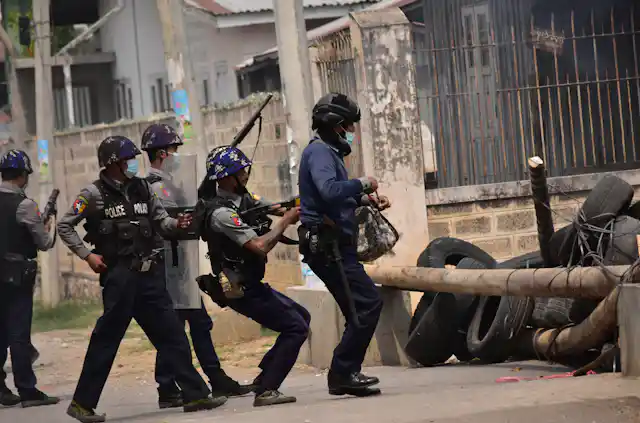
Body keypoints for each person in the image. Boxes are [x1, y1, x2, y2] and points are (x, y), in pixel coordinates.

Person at [57, 136, 227, 423]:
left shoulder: (143, 189)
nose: (134, 164)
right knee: (106, 340)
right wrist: (87, 256)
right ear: (113, 163)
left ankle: (196, 394)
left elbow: (162, 222)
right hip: (120, 277)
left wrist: (178, 225)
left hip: (150, 277)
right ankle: (82, 404)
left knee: (171, 334)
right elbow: (65, 225)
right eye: (128, 159)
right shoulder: (93, 194)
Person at [140, 123, 251, 408]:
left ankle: (214, 379)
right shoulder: (154, 187)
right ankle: (168, 386)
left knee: (198, 322)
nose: (178, 156)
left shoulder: (171, 183)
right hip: (168, 264)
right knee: (174, 326)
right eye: (175, 151)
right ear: (163, 153)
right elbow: (170, 221)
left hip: (181, 263)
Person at [198, 145, 310, 407]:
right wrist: (285, 222)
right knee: (296, 327)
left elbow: (280, 208)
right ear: (227, 177)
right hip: (238, 287)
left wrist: (307, 207)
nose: (246, 174)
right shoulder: (222, 213)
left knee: (302, 317)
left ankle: (263, 379)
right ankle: (268, 390)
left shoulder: (244, 199)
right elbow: (259, 246)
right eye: (241, 171)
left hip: (252, 283)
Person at [297, 93, 391, 397]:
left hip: (336, 246)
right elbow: (328, 190)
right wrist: (364, 183)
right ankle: (342, 372)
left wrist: (365, 199)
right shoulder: (321, 154)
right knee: (367, 304)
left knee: (357, 308)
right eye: (347, 125)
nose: (350, 131)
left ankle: (345, 372)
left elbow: (337, 195)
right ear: (335, 124)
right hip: (329, 248)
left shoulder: (326, 152)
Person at [0, 149, 59, 408]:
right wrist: (50, 221)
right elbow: (44, 243)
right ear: (23, 175)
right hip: (17, 278)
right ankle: (27, 390)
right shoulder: (25, 205)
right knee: (18, 335)